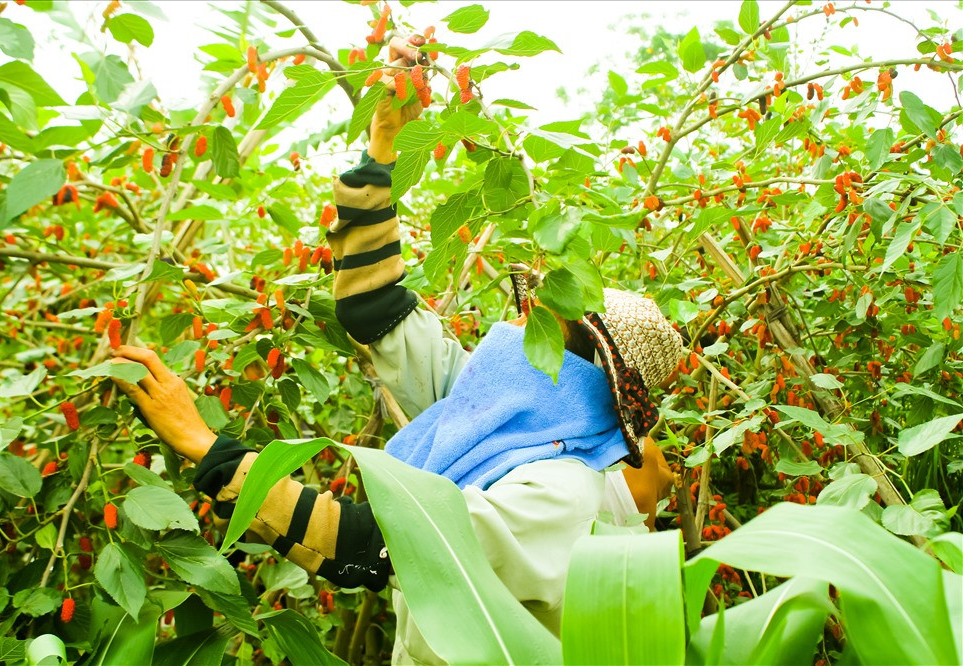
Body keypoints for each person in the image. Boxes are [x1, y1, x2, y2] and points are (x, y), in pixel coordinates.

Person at [111, 38, 681, 664]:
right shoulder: (495, 413)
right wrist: (384, 143)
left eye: (536, 321)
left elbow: (367, 545)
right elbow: (374, 309)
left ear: (570, 366)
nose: (516, 322)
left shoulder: (556, 495)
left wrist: (203, 444)